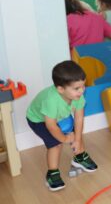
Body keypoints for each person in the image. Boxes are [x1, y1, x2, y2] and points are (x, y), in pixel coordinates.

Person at [26, 61, 98, 192]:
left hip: (59, 117)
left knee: (76, 131)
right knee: (56, 144)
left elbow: (79, 118)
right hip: (39, 120)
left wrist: (76, 139)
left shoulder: (78, 96)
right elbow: (51, 126)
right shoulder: (51, 100)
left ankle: (79, 157)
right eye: (77, 88)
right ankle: (52, 173)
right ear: (60, 89)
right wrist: (64, 139)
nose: (82, 91)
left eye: (83, 86)